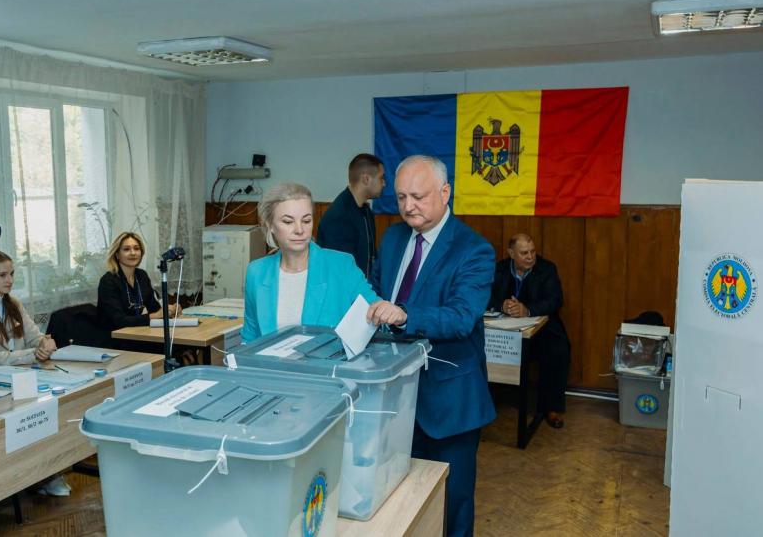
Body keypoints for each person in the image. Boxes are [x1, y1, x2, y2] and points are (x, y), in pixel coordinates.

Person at [366, 155, 496, 537]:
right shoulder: (392, 237)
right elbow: (375, 293)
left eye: (418, 197)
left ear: (445, 192)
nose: (408, 206)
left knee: (451, 506)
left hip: (448, 403)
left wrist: (404, 315)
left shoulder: (474, 249)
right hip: (393, 398)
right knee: (402, 504)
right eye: (402, 196)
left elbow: (460, 317)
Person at [0, 250, 71, 497]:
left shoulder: (14, 302)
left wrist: (45, 343)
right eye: (2, 275)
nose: (9, 280)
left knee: (51, 410)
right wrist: (33, 354)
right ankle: (28, 477)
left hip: (25, 377)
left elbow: (34, 336)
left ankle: (46, 472)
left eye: (11, 274)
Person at [242, 182, 403, 343]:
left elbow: (375, 310)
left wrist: (390, 311)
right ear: (270, 225)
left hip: (328, 367)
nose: (299, 230)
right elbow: (251, 336)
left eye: (306, 221)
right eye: (288, 222)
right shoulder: (257, 272)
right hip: (270, 367)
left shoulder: (341, 265)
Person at [490, 233, 571, 429]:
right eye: (524, 253)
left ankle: (552, 407)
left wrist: (527, 310)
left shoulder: (547, 269)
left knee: (558, 350)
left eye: (533, 252)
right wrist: (502, 305)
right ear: (511, 253)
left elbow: (555, 300)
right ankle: (487, 401)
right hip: (504, 331)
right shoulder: (498, 269)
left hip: (541, 330)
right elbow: (482, 295)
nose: (530, 257)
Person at [316, 153, 385, 278]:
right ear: (366, 179)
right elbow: (338, 272)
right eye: (381, 178)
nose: (384, 183)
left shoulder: (366, 211)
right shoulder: (338, 217)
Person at [97, 232, 178, 331]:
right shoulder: (108, 281)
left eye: (136, 248)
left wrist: (170, 311)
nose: (133, 253)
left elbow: (155, 309)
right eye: (126, 249)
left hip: (137, 332)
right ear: (117, 254)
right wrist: (155, 315)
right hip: (114, 337)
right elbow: (119, 321)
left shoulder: (141, 276)